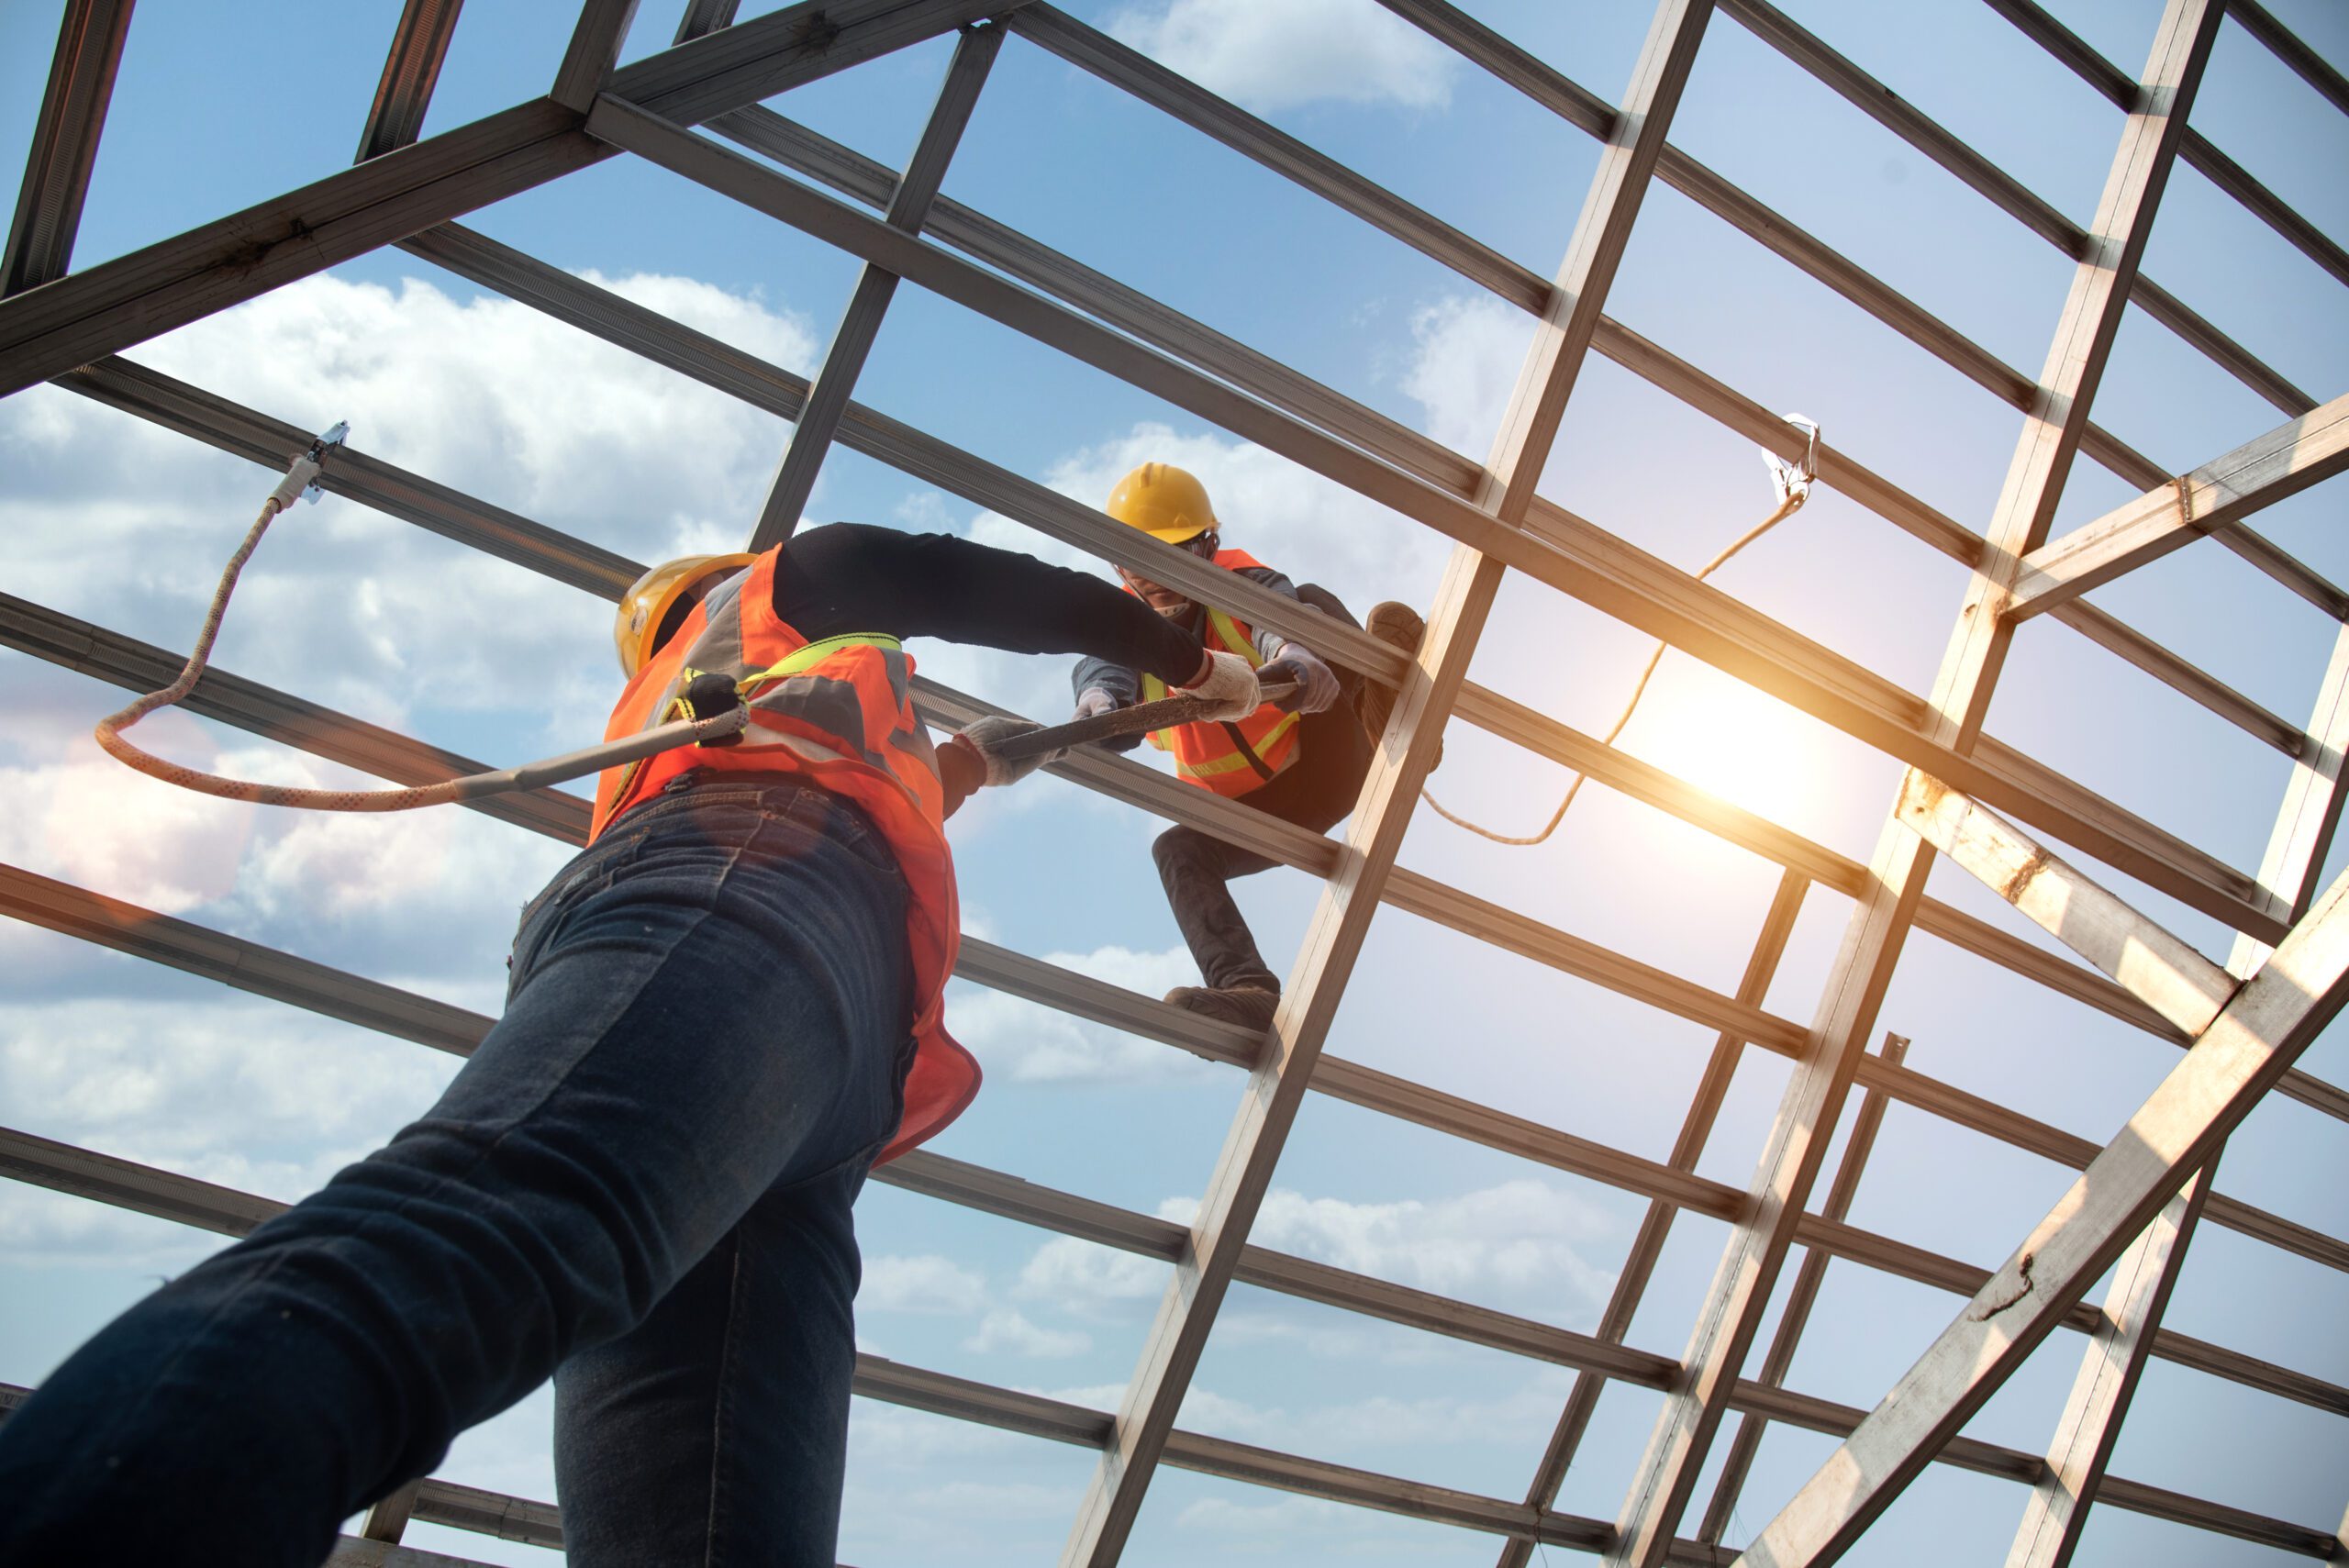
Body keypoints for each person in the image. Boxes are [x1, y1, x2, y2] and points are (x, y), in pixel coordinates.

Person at [0, 522, 1261, 1568]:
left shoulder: (733, 709)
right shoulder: (769, 594)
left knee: (704, 1533)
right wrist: (1177, 653)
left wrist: (978, 759)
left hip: (793, 1041)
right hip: (743, 907)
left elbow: (900, 767)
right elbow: (951, 578)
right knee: (471, 1238)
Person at [1070, 462, 1429, 1032]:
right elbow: (1104, 664)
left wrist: (1296, 647)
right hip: (1251, 816)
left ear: (1209, 545)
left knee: (1313, 604)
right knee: (1175, 850)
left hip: (1327, 759)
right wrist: (1099, 703)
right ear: (1117, 564)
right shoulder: (1121, 627)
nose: (1158, 576)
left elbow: (1274, 610)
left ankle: (1388, 714)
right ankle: (1247, 991)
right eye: (1141, 560)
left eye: (1178, 553)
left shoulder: (1240, 583)